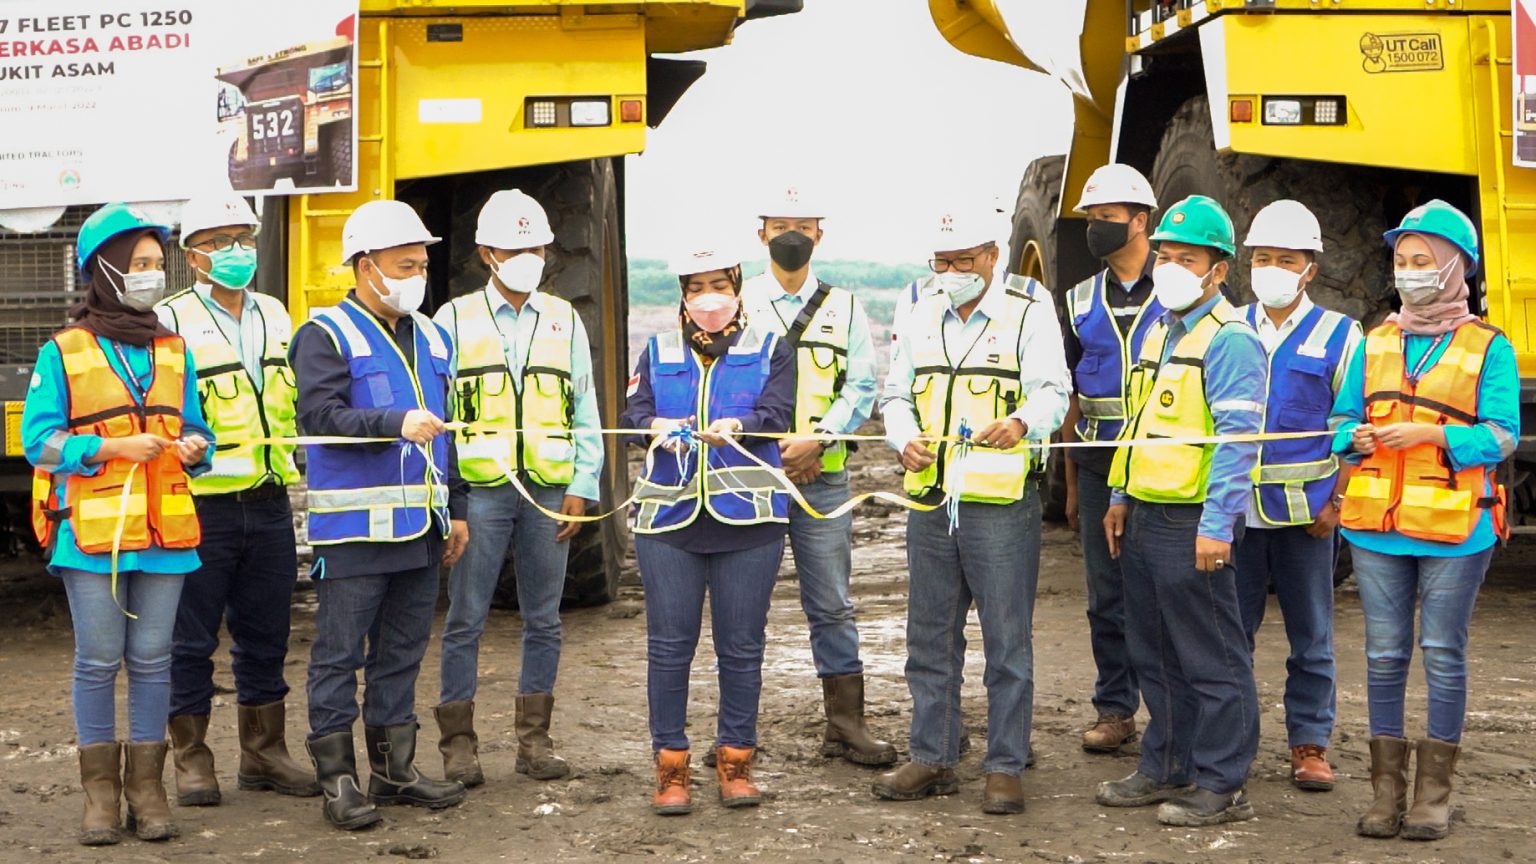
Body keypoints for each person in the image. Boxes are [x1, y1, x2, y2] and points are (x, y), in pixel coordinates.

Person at [24, 203, 214, 845]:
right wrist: (111, 447)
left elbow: (198, 429)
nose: (152, 274)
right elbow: (38, 443)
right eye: (139, 264)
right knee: (99, 661)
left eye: (157, 263)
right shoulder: (63, 351)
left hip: (165, 535)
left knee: (155, 661)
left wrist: (196, 447)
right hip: (94, 538)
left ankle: (147, 791)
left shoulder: (174, 349)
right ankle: (101, 798)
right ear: (104, 269)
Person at [873, 205, 1070, 816]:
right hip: (931, 500)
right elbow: (895, 394)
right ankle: (932, 756)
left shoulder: (1028, 309)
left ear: (992, 255)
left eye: (963, 260)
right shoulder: (919, 306)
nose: (951, 273)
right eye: (942, 262)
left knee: (1007, 643)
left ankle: (1005, 766)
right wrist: (902, 438)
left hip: (1000, 506)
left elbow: (1053, 391)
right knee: (929, 637)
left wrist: (1021, 422)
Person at [1332, 200, 1519, 842]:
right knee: (1384, 654)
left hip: (1455, 530)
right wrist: (1351, 438)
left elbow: (1503, 435)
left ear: (1455, 267)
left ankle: (1432, 798)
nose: (1408, 271)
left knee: (1442, 652)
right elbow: (1339, 421)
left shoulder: (1489, 347)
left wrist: (1433, 435)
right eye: (1401, 260)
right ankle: (1385, 795)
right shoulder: (1375, 341)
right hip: (1376, 527)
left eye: (1422, 260)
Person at [289, 199, 469, 831]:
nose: (418, 275)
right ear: (366, 266)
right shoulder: (325, 334)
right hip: (355, 532)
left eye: (421, 264)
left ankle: (394, 771)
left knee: (401, 652)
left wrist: (458, 509)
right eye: (405, 265)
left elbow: (447, 435)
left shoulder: (433, 336)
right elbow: (319, 418)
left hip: (421, 528)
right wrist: (394, 422)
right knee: (339, 656)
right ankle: (338, 781)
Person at [1097, 195, 1268, 826]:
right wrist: (1119, 496)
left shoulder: (1231, 340)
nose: (1169, 267)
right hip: (1145, 513)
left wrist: (1217, 526)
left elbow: (1238, 443)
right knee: (1154, 653)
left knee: (1212, 656)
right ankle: (1166, 764)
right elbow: (1138, 425)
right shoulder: (1159, 330)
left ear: (1218, 270)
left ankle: (1223, 783)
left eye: (1187, 258)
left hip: (1193, 521)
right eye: (1164, 255)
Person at [432, 189, 603, 785]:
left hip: (550, 490)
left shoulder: (564, 318)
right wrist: (449, 499)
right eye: (514, 249)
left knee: (545, 619)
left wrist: (583, 483)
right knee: (465, 618)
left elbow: (585, 406)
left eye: (535, 249)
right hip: (480, 491)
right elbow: (438, 414)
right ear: (487, 254)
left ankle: (535, 742)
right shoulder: (452, 320)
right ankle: (458, 746)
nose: (528, 259)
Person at [618, 245, 795, 815]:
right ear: (683, 295)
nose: (708, 297)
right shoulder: (657, 350)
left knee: (741, 648)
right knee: (670, 649)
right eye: (696, 288)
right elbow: (630, 418)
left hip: (748, 521)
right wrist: (654, 426)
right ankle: (671, 767)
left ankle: (736, 761)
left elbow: (779, 415)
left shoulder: (771, 347)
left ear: (738, 288)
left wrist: (739, 425)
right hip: (668, 523)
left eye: (719, 284)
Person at [154, 193, 318, 809]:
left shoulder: (275, 312)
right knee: (190, 640)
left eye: (243, 239)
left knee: (267, 634)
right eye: (220, 242)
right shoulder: (169, 321)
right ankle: (192, 760)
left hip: (270, 500)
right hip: (203, 504)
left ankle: (264, 754)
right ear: (193, 255)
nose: (236, 252)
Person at [738, 186, 893, 767]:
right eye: (781, 225)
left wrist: (818, 440)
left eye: (803, 226)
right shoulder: (738, 303)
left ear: (820, 234)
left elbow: (861, 387)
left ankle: (846, 727)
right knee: (742, 608)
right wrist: (775, 450)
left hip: (821, 480)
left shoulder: (844, 307)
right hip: (753, 479)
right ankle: (735, 733)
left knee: (831, 605)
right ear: (761, 233)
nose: (792, 236)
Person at [1233, 200, 1361, 792]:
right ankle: (1231, 743)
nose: (1273, 269)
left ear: (1310, 268)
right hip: (1236, 515)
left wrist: (1336, 504)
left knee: (1311, 639)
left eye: (1287, 260)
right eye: (1263, 258)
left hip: (1307, 517)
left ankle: (1309, 744)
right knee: (1231, 636)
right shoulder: (1229, 327)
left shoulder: (1340, 334)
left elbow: (1352, 426)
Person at [1060, 163, 1160, 754]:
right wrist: (1072, 486)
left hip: (1165, 469)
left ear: (1139, 220)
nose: (1096, 227)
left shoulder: (1180, 289)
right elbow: (1070, 397)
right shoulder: (1077, 301)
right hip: (1099, 468)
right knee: (1106, 597)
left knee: (1165, 595)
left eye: (1108, 217)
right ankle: (1116, 709)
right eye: (1091, 218)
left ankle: (1172, 715)